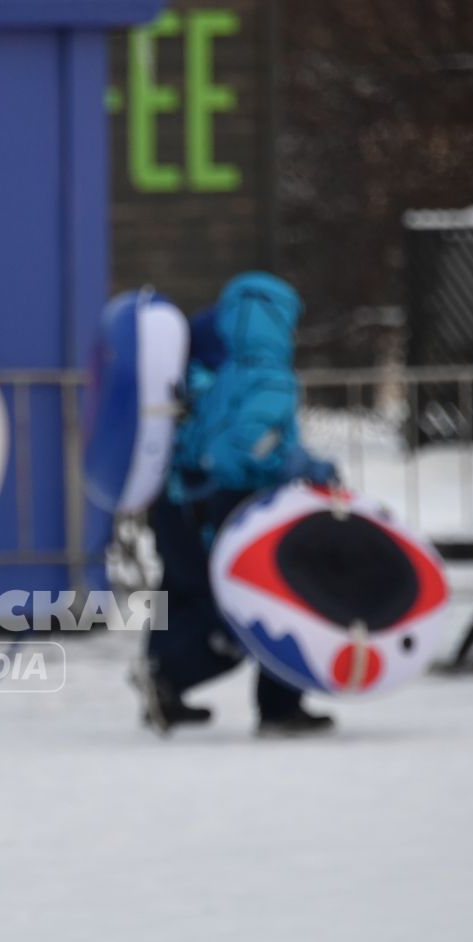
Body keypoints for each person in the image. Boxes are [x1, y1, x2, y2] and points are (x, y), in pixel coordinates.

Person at [134, 272, 339, 738]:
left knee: (186, 593)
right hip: (244, 501)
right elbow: (253, 446)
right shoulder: (271, 377)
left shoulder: (216, 373)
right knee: (280, 597)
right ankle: (276, 705)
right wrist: (310, 467)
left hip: (188, 499)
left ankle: (165, 673)